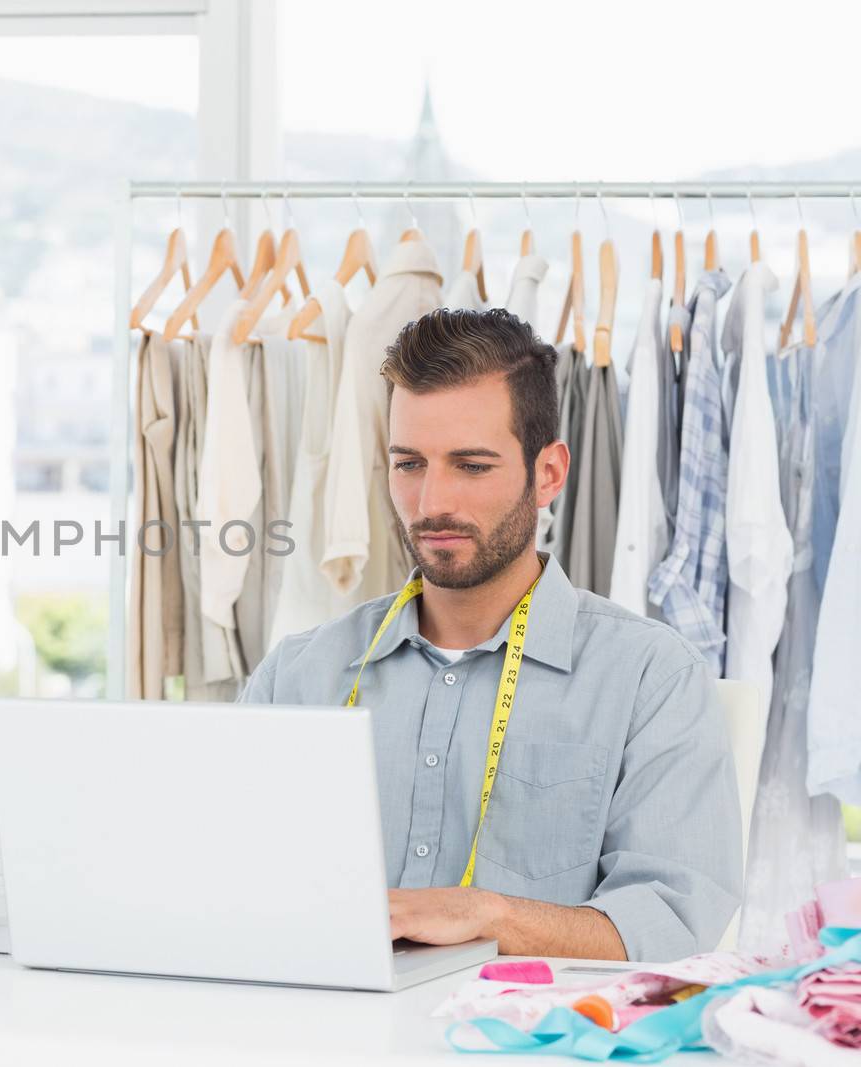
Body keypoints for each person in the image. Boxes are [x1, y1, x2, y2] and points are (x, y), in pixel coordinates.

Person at [240, 308, 741, 962]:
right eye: (409, 463)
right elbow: (231, 884)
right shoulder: (295, 676)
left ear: (549, 473)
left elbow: (674, 923)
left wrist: (490, 914)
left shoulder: (651, 678)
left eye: (471, 465)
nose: (430, 502)